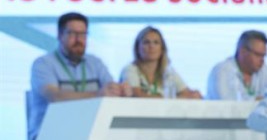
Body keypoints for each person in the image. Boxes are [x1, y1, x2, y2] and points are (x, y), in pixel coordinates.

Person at [29, 12, 132, 140]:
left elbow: (109, 90)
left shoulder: (95, 63)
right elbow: (55, 97)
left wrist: (120, 90)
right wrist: (97, 95)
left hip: (90, 131)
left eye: (83, 34)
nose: (79, 40)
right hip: (51, 133)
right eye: (72, 34)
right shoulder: (43, 64)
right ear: (60, 35)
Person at [120, 26, 202, 99]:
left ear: (162, 49)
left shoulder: (168, 72)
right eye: (146, 42)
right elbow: (136, 95)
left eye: (156, 42)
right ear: (137, 47)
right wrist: (170, 99)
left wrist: (193, 95)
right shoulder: (130, 69)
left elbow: (187, 94)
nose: (151, 46)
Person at [207, 30, 267, 100]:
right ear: (243, 51)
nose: (262, 60)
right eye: (257, 55)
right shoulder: (222, 71)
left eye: (263, 56)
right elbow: (229, 105)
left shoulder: (264, 70)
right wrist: (257, 101)